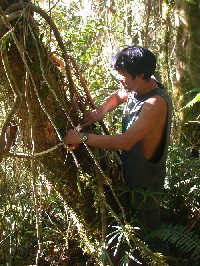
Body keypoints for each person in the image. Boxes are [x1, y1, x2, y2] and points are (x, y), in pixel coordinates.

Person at [64, 45, 172, 255]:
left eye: (123, 76)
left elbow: (126, 142)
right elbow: (120, 95)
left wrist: (82, 138)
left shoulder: (155, 103)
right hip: (131, 174)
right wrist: (99, 112)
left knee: (153, 242)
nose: (120, 80)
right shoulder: (139, 86)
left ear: (140, 75)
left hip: (146, 184)